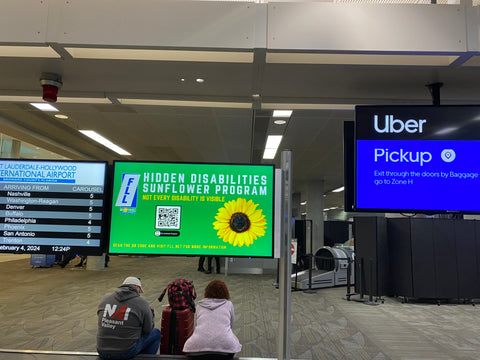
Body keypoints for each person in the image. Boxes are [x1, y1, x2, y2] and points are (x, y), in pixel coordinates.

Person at [97, 276, 161, 359]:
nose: (139, 294)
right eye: (140, 291)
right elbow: (148, 329)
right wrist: (151, 315)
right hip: (125, 352)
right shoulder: (142, 303)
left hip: (102, 350)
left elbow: (100, 316)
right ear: (137, 287)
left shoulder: (105, 298)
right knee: (156, 333)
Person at [183, 279, 242, 359]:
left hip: (196, 346)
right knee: (232, 341)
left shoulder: (200, 305)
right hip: (226, 347)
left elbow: (196, 325)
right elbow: (230, 326)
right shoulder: (228, 304)